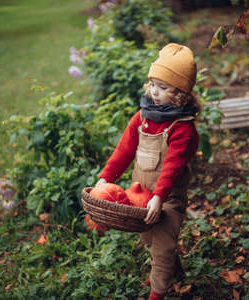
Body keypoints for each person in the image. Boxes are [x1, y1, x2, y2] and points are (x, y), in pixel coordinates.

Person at [95, 43, 200, 300]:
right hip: (139, 196)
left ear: (180, 94)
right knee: (150, 242)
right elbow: (124, 151)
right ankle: (174, 271)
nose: (154, 91)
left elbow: (172, 166)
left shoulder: (182, 129)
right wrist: (105, 179)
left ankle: (157, 293)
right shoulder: (142, 117)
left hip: (166, 200)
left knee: (162, 248)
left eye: (163, 87)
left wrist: (160, 196)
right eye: (153, 83)